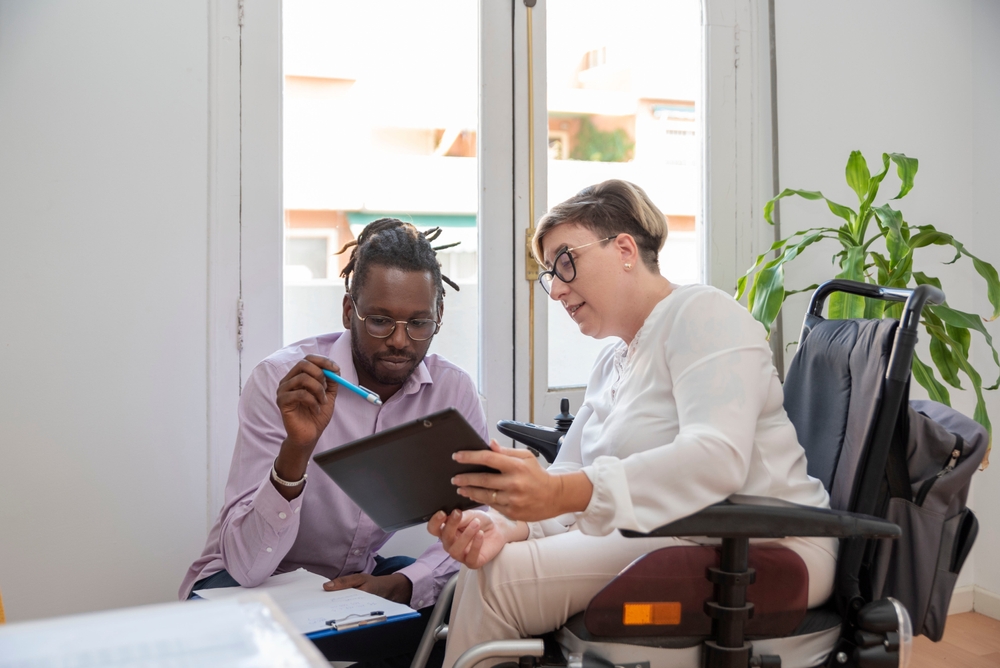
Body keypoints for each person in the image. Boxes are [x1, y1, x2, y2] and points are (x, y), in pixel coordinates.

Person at [428, 180, 838, 666]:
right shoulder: (611, 362)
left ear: (624, 248)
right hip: (664, 532)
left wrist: (561, 495)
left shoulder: (704, 315)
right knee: (488, 563)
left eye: (564, 261)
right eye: (549, 274)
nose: (556, 288)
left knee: (497, 583)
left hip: (762, 543)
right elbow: (570, 470)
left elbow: (716, 459)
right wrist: (503, 524)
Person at [180, 219, 486, 666]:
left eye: (419, 323)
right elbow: (247, 565)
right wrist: (297, 450)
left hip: (348, 587)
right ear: (348, 312)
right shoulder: (283, 381)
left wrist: (404, 584)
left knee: (456, 613)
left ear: (439, 315)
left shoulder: (451, 392)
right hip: (242, 583)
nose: (400, 341)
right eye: (380, 320)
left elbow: (482, 520)